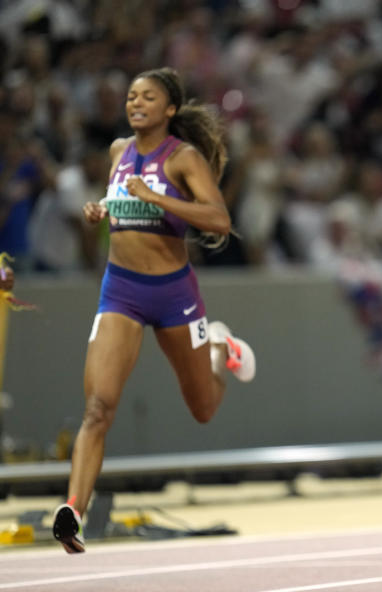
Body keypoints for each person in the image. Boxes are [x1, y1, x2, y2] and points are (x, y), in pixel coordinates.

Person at [52, 67, 256, 554]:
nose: (135, 102)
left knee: (203, 408)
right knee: (98, 407)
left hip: (173, 294)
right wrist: (102, 210)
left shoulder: (183, 159)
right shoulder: (119, 152)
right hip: (120, 291)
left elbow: (219, 220)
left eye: (147, 97)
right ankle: (74, 511)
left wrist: (158, 196)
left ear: (169, 109)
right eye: (130, 96)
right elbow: (123, 205)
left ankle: (218, 347)